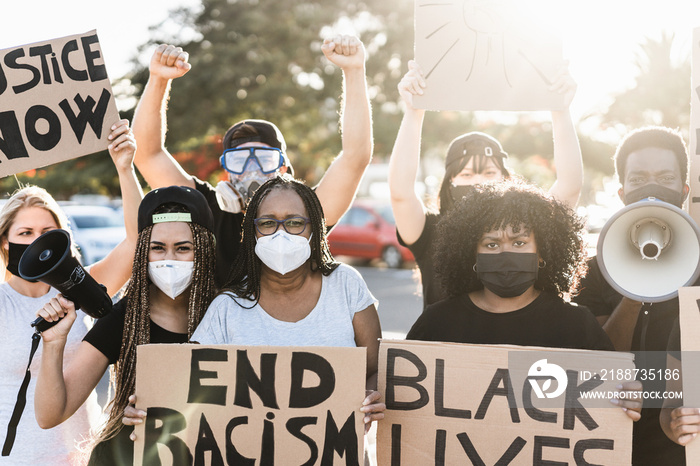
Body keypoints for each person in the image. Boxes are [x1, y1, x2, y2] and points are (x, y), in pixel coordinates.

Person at [131, 36, 373, 286]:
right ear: (226, 168)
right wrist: (158, 80)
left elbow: (356, 157)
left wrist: (354, 70)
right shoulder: (210, 211)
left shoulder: (305, 214)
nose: (251, 170)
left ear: (283, 168)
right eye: (240, 160)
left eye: (264, 158)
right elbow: (148, 155)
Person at [405, 180, 641, 419]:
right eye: (491, 244)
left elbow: (610, 398)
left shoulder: (577, 326)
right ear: (471, 254)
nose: (506, 254)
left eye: (519, 242)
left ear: (542, 252)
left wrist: (626, 399)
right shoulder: (437, 324)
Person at [33, 186, 217, 465]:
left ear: (203, 249)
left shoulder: (227, 313)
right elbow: (50, 415)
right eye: (157, 248)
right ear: (143, 252)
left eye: (183, 248)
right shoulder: (123, 318)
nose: (169, 259)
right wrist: (53, 343)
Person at [187, 175, 385, 433]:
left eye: (294, 222)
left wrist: (373, 394)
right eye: (268, 223)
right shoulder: (227, 308)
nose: (281, 233)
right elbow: (188, 390)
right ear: (252, 232)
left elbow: (377, 367)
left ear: (314, 228)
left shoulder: (346, 284)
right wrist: (148, 408)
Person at [0, 120, 140, 465]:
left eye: (47, 232)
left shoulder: (80, 289)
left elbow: (139, 241)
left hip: (80, 456)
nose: (36, 242)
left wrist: (125, 168)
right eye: (25, 232)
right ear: (5, 242)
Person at [388, 60, 582, 308]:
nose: (478, 183)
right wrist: (413, 112)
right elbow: (400, 193)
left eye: (489, 173)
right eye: (467, 175)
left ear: (505, 179)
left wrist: (561, 110)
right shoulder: (428, 231)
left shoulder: (530, 225)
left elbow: (570, 185)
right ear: (450, 183)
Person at [572, 126, 691, 465]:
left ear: (683, 190)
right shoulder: (593, 271)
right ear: (622, 192)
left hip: (680, 448)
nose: (651, 187)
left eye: (665, 177)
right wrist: (634, 290)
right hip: (606, 444)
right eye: (638, 180)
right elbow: (596, 363)